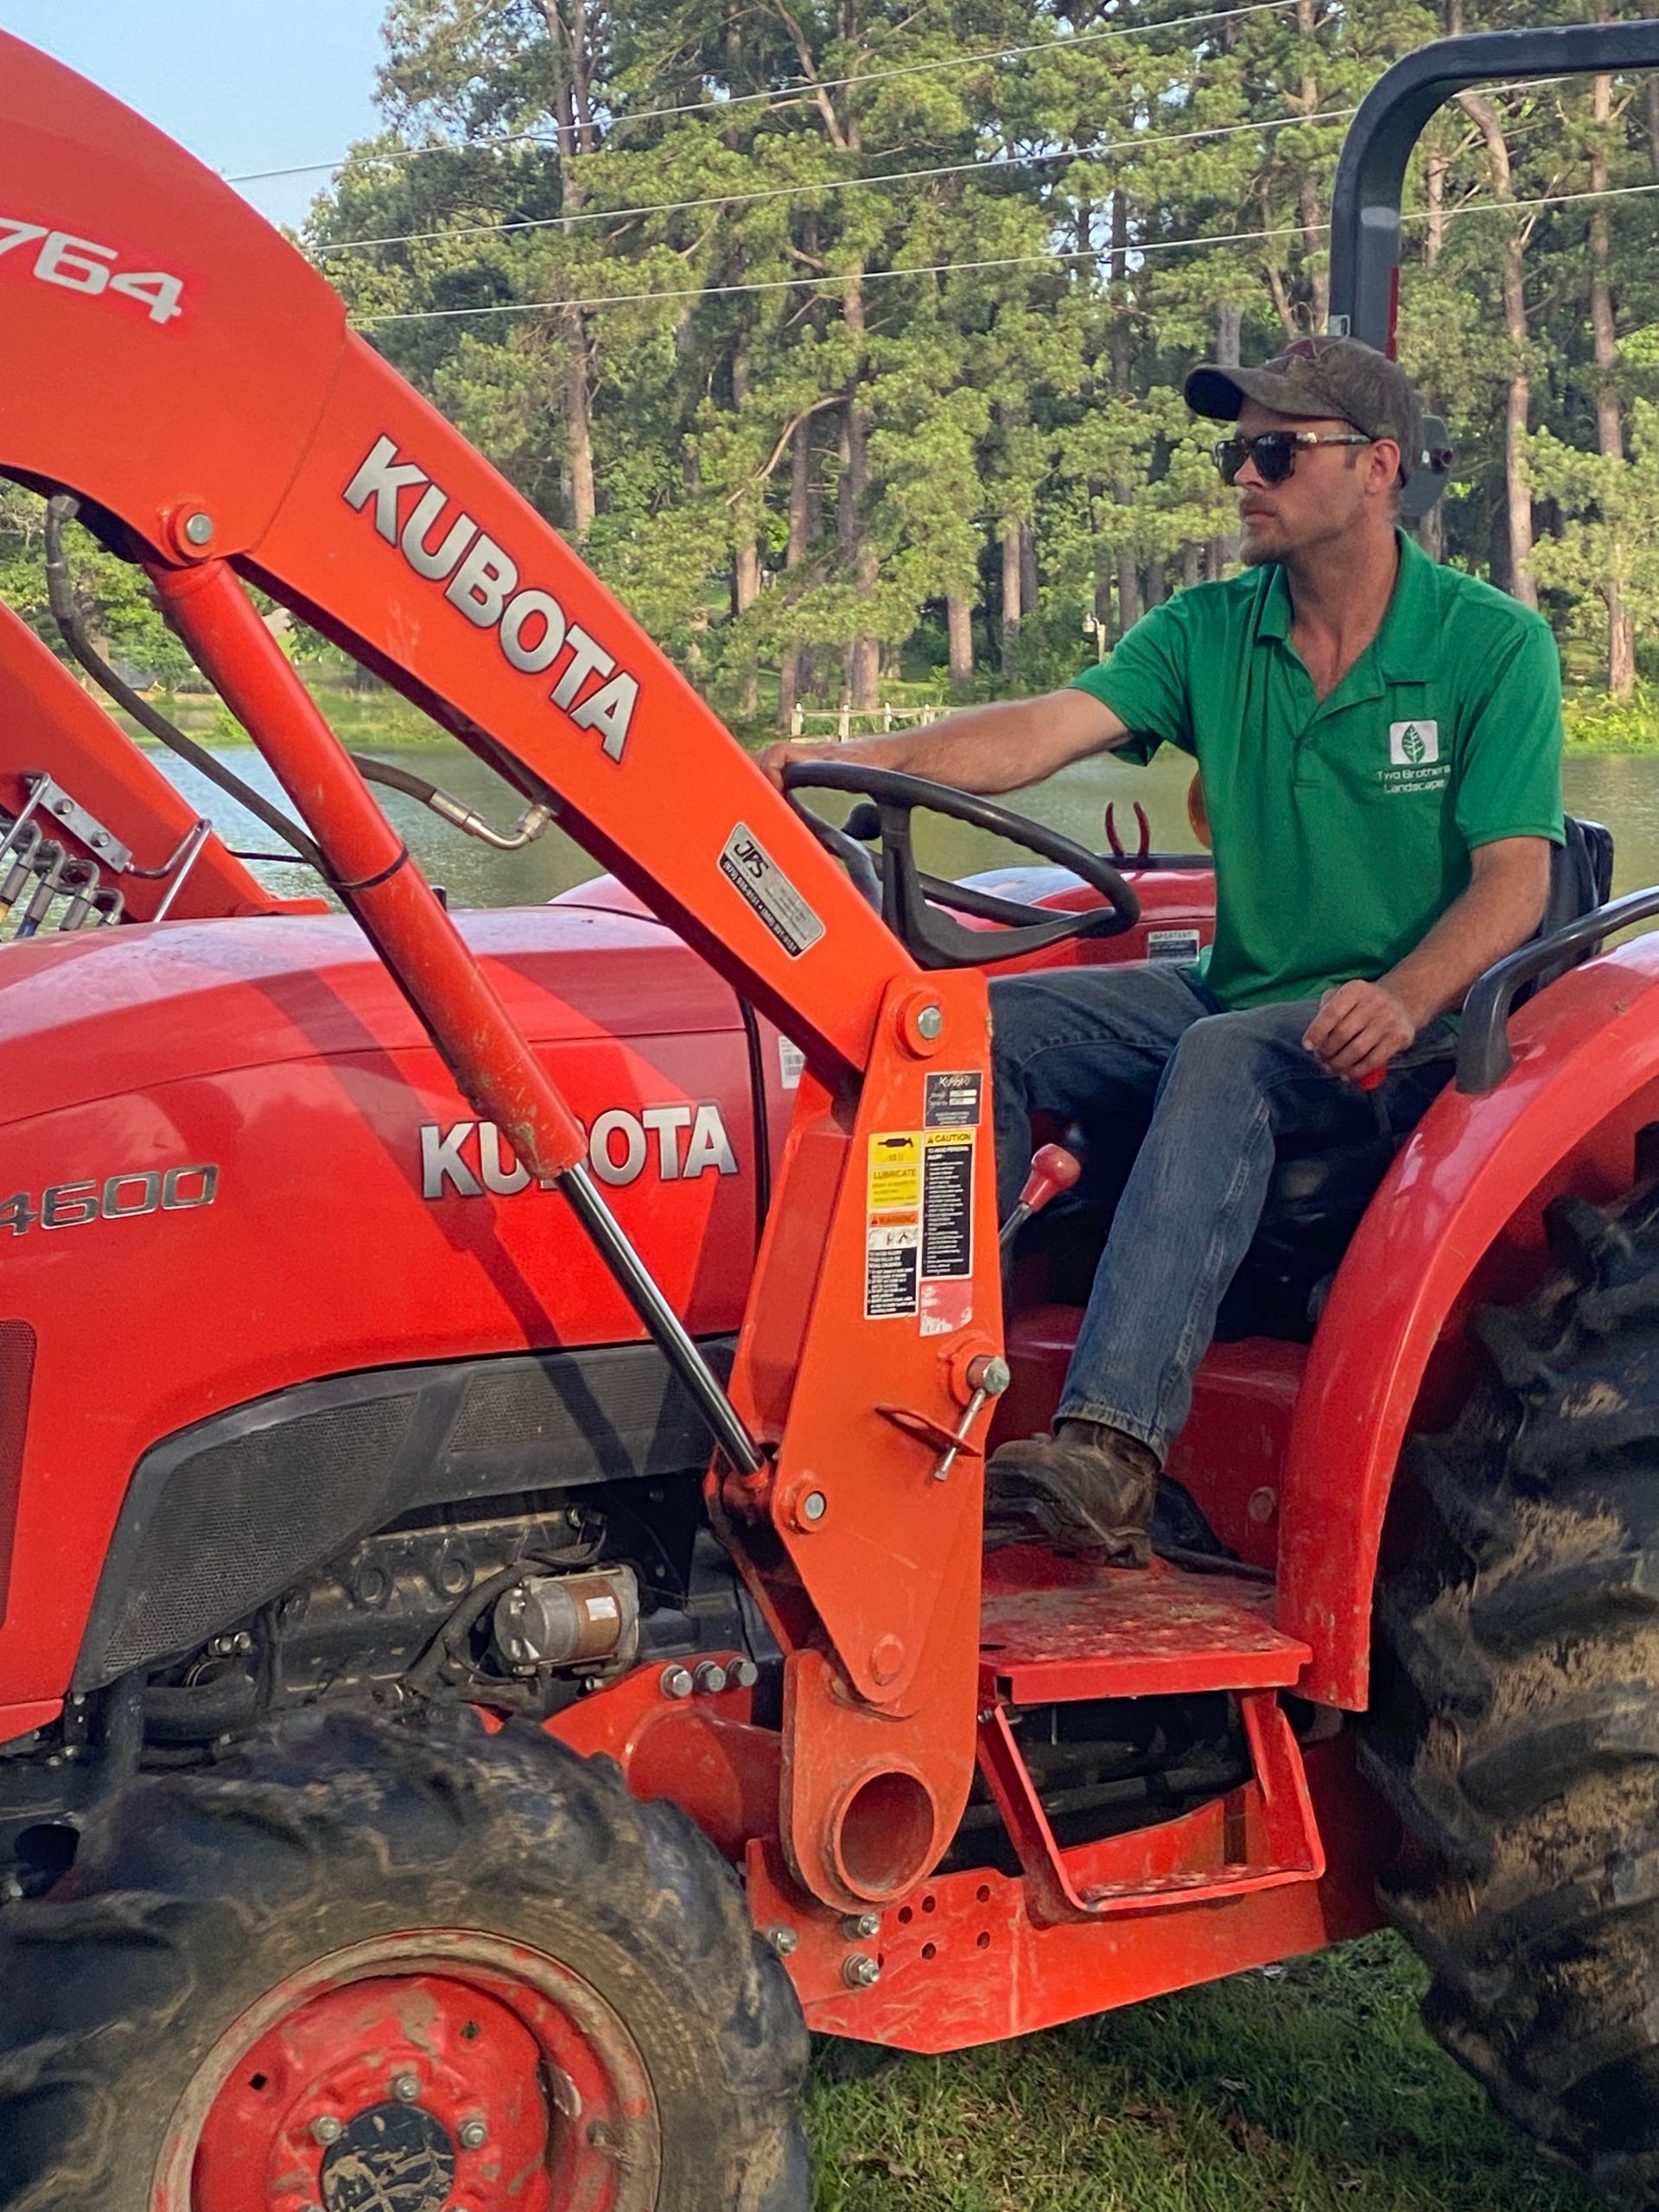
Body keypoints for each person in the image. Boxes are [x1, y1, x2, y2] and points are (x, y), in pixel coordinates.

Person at [760, 336, 1562, 1566]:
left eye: (1277, 449)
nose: (1246, 473)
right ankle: (920, 1391)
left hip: (1417, 1038)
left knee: (1224, 1057)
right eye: (1239, 449)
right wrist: (835, 770)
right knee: (983, 1033)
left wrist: (1404, 999)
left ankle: (1113, 1448)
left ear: (1375, 468)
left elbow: (1518, 879)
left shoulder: (1489, 646)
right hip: (1244, 993)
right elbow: (1039, 731)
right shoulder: (1210, 632)